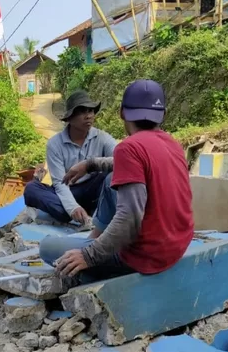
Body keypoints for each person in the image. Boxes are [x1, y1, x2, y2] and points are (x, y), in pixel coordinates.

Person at [39, 79, 194, 283]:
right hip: (176, 247)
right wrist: (91, 164)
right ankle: (95, 238)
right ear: (163, 114)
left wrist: (88, 256)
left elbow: (129, 219)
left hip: (145, 257)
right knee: (111, 178)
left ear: (122, 112)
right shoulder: (172, 143)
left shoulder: (128, 147)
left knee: (47, 247)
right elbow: (133, 162)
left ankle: (93, 258)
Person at [23, 90, 117, 226]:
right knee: (31, 189)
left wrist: (91, 164)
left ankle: (88, 213)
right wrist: (72, 207)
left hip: (93, 190)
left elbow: (123, 160)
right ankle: (73, 213)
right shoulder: (54, 144)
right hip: (68, 190)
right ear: (70, 118)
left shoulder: (102, 138)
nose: (88, 116)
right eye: (82, 112)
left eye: (90, 111)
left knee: (111, 174)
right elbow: (59, 183)